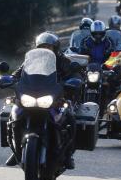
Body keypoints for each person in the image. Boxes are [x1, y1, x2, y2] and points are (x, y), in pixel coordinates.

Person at [7, 32, 80, 168]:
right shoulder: (31, 61)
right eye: (43, 46)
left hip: (55, 98)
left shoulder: (63, 61)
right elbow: (17, 74)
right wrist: (11, 80)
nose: (46, 49)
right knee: (13, 116)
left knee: (70, 118)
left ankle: (68, 155)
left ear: (55, 48)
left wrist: (71, 81)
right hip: (31, 96)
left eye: (49, 47)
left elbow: (74, 75)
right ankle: (16, 150)